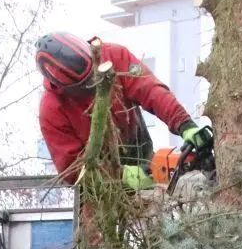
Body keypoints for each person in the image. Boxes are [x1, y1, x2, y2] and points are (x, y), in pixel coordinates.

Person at [35, 32, 213, 189]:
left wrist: (184, 124)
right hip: (99, 188)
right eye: (88, 84)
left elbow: (150, 90)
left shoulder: (114, 56)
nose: (95, 84)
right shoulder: (52, 110)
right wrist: (119, 174)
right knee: (96, 224)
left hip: (140, 151)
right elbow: (72, 168)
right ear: (66, 88)